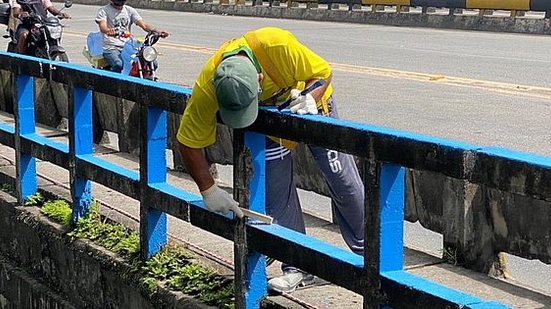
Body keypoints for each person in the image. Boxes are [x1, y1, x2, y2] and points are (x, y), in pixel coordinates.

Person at [176, 27, 365, 294]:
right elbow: (188, 140)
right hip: (268, 119)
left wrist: (311, 98)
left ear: (260, 78)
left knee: (343, 181)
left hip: (310, 104)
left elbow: (323, 73)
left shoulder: (277, 44)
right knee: (277, 190)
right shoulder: (208, 84)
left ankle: (370, 256)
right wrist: (208, 189)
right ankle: (298, 266)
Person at [95, 0, 169, 73]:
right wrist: (109, 31)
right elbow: (103, 27)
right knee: (119, 65)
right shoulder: (104, 10)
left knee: (152, 63)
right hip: (111, 47)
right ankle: (112, 82)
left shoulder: (129, 10)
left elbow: (144, 25)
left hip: (128, 45)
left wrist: (156, 31)